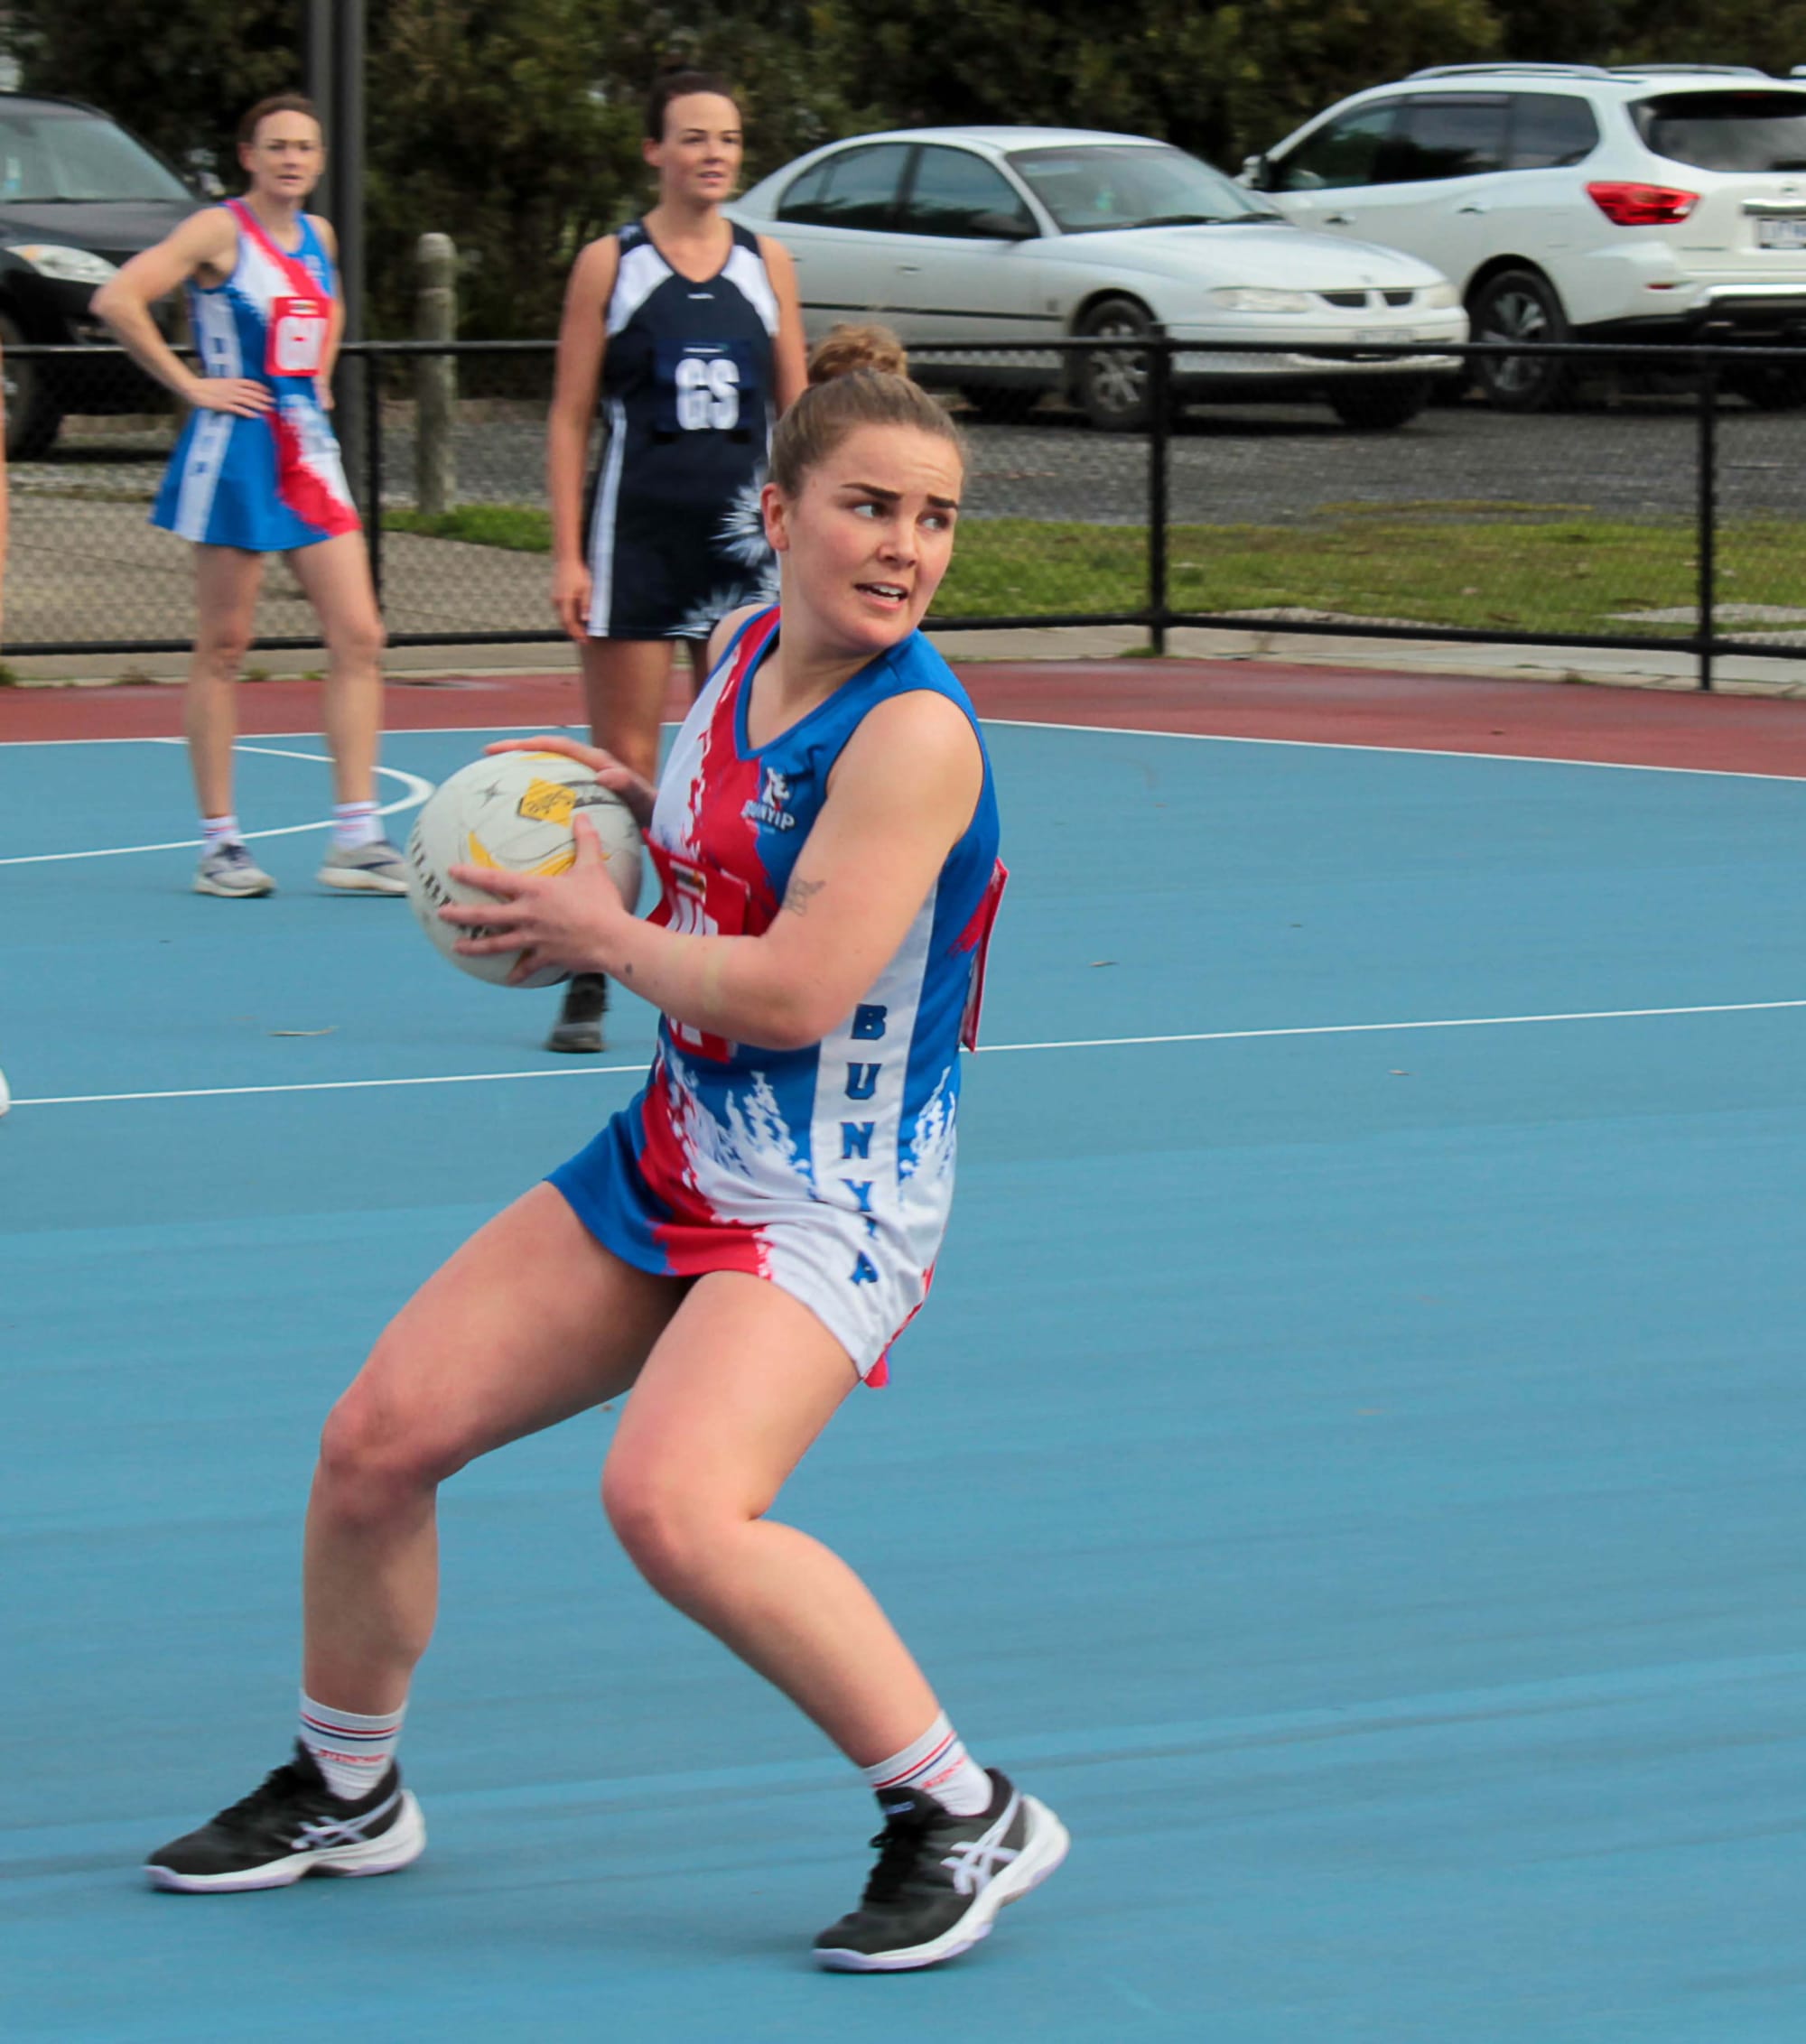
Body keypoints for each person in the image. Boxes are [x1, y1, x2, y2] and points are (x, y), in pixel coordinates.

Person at [142, 327, 1066, 1973]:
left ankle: (960, 1805)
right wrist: (607, 825)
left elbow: (790, 989)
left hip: (827, 1196)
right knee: (376, 1440)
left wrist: (603, 932)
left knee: (674, 1499)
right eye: (869, 507)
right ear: (777, 513)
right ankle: (349, 1783)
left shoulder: (913, 736)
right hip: (679, 1145)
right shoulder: (736, 648)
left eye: (933, 518)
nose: (905, 548)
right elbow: (709, 857)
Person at [542, 68, 806, 1053]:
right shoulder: (609, 264)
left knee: (737, 763)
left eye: (728, 138)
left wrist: (805, 540)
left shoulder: (766, 262)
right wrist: (567, 551)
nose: (713, 154)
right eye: (692, 137)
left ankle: (727, 962)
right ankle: (588, 968)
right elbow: (570, 415)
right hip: (637, 537)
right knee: (627, 765)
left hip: (742, 545)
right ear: (654, 150)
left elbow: (797, 415)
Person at [93, 94, 405, 900]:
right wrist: (192, 384)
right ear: (248, 156)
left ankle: (356, 836)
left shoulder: (321, 237)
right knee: (226, 644)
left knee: (360, 633)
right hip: (235, 451)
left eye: (306, 146)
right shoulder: (217, 232)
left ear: (320, 158)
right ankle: (220, 844)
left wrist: (322, 376)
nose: (292, 158)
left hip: (306, 449)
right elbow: (118, 299)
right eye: (277, 146)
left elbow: (323, 316)